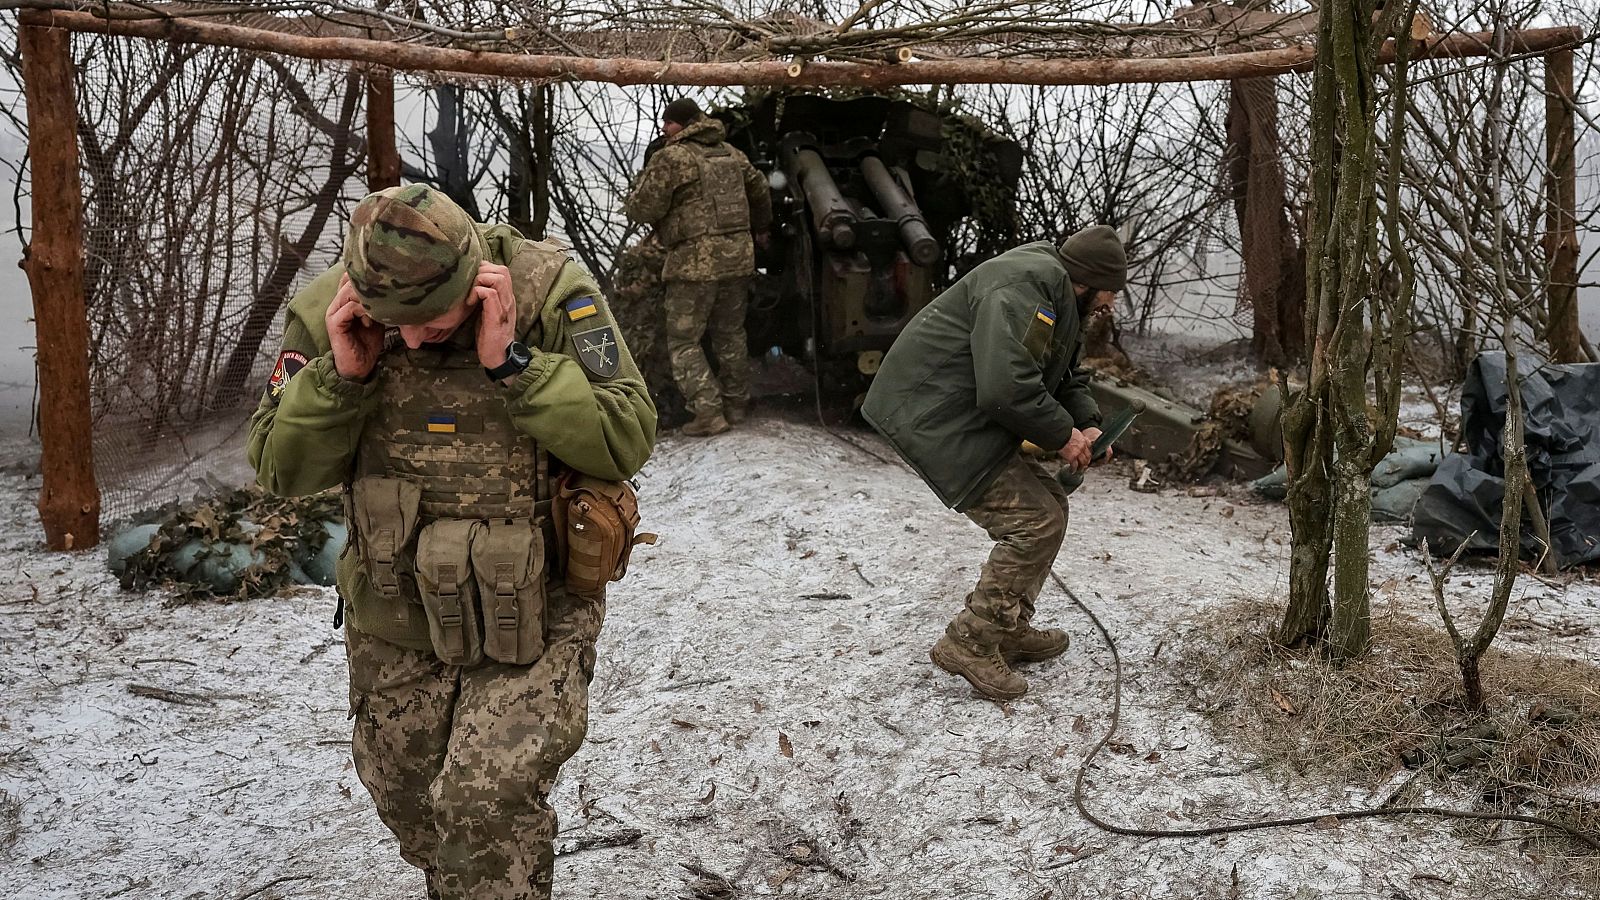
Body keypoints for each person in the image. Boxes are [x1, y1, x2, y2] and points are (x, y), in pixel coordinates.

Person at [246, 184, 656, 899]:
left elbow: (625, 436)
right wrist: (343, 381)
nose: (410, 342)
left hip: (537, 602)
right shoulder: (324, 313)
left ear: (476, 280)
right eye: (391, 325)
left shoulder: (550, 293)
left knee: (484, 807)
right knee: (406, 800)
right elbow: (280, 468)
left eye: (432, 323)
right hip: (395, 606)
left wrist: (515, 366)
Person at [861, 225, 1127, 702]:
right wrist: (1061, 437)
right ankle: (970, 642)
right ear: (1087, 281)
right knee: (1034, 520)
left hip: (963, 412)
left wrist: (1087, 424)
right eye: (1110, 290)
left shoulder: (1056, 292)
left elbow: (1064, 375)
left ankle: (1006, 627)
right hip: (934, 413)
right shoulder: (1024, 290)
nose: (1111, 303)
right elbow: (1006, 387)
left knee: (1051, 507)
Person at [623, 97, 772, 437]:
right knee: (730, 333)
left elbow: (642, 209)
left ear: (684, 124)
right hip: (737, 259)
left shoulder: (671, 157)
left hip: (694, 264)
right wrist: (761, 227)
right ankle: (736, 406)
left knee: (684, 340)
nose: (663, 128)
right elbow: (761, 189)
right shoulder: (732, 154)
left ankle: (708, 412)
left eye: (668, 123)